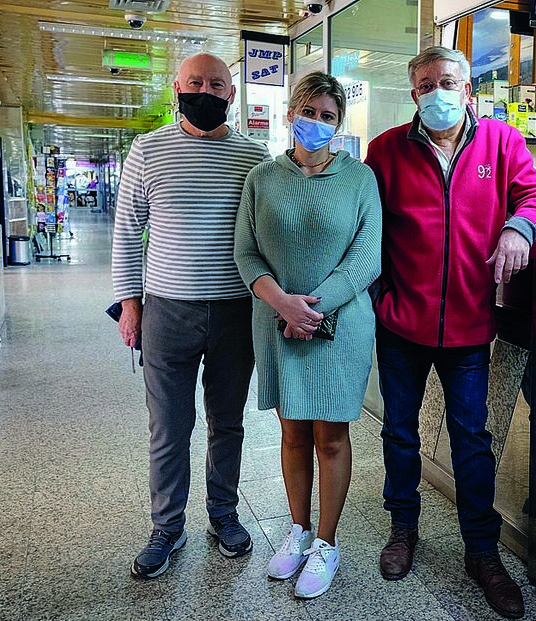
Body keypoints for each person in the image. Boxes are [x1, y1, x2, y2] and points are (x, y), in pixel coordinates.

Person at [364, 46, 536, 619]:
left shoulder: (502, 142)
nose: (437, 92)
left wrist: (519, 228)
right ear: (414, 94)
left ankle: (482, 551)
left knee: (472, 439)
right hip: (401, 322)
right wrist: (379, 295)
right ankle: (403, 529)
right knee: (400, 433)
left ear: (468, 89)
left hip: (470, 324)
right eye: (426, 84)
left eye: (447, 81)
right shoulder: (386, 150)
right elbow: (364, 223)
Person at [112, 52, 271, 579]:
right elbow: (127, 231)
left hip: (235, 311)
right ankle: (167, 526)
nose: (206, 91)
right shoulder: (147, 150)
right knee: (168, 427)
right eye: (195, 83)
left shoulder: (254, 156)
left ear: (232, 93)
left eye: (216, 84)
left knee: (228, 423)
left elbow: (266, 235)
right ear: (177, 88)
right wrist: (130, 304)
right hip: (167, 311)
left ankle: (223, 515)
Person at [234, 71, 382, 599]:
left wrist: (311, 311)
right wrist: (283, 304)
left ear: (338, 125)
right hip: (276, 323)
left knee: (331, 437)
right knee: (292, 432)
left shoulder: (359, 179)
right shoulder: (262, 179)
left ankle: (326, 542)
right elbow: (246, 251)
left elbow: (366, 258)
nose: (316, 122)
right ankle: (297, 530)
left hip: (339, 327)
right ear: (290, 114)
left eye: (328, 116)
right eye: (309, 112)